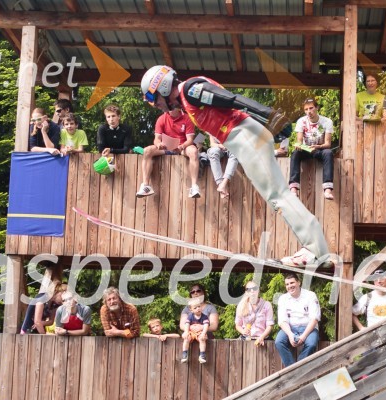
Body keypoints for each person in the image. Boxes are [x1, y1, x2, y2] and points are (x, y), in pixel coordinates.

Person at [140, 65, 328, 267]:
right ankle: (317, 251)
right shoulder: (187, 100)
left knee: (278, 195)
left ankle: (316, 251)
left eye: (153, 98)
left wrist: (270, 115)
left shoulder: (190, 89)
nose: (155, 104)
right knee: (277, 196)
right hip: (242, 140)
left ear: (164, 87)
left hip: (244, 137)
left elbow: (231, 98)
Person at [137, 102, 201, 199]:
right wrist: (159, 144)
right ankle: (145, 186)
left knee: (194, 151)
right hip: (165, 148)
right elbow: (157, 138)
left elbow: (190, 140)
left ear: (179, 108)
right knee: (146, 151)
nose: (169, 109)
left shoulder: (187, 118)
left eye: (172, 107)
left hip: (182, 148)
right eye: (168, 107)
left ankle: (194, 187)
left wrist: (182, 146)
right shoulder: (161, 119)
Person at [289, 97, 336, 201]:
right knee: (295, 153)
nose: (308, 112)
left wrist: (318, 147)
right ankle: (293, 188)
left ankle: (327, 189)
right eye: (306, 109)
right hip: (306, 149)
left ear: (317, 108)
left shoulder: (327, 121)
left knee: (328, 153)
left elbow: (327, 144)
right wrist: (298, 145)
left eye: (311, 108)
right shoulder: (301, 121)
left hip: (320, 149)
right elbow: (299, 140)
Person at [274, 273, 321, 368]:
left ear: (299, 282)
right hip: (290, 328)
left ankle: (299, 367)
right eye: (287, 284)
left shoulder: (310, 295)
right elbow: (282, 321)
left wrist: (303, 337)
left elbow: (314, 318)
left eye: (292, 283)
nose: (289, 286)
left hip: (308, 328)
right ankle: (291, 369)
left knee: (311, 344)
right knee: (279, 341)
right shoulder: (283, 298)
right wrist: (290, 335)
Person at [234, 281, 274, 346]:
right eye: (249, 289)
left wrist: (262, 337)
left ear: (258, 290)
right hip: (246, 340)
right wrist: (243, 331)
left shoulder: (267, 305)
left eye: (254, 288)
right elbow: (238, 325)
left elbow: (270, 325)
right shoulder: (241, 305)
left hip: (263, 340)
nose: (252, 291)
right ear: (246, 292)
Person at [206, 134, 238, 199]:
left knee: (236, 152)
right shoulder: (211, 125)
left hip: (232, 146)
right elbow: (212, 144)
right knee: (212, 152)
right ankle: (221, 185)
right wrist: (219, 145)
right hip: (220, 148)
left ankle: (224, 183)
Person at [181, 297, 210, 364]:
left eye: (199, 306)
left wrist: (203, 333)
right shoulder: (190, 316)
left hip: (200, 333)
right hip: (192, 332)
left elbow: (206, 325)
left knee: (202, 339)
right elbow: (187, 324)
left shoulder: (204, 316)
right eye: (195, 308)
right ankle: (184, 354)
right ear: (191, 310)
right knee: (186, 338)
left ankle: (202, 355)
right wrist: (186, 332)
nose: (198, 309)